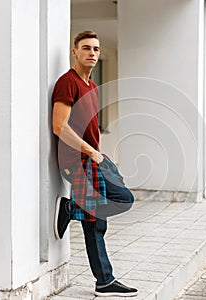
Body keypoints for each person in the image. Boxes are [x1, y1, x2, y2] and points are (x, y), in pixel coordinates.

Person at [52, 30, 138, 297]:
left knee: (123, 197)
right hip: (77, 161)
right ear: (75, 52)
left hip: (92, 159)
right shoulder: (68, 82)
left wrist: (98, 153)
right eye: (86, 48)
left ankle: (70, 208)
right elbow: (59, 126)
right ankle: (104, 281)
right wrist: (90, 151)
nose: (92, 53)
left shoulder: (91, 86)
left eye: (96, 49)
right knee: (96, 221)